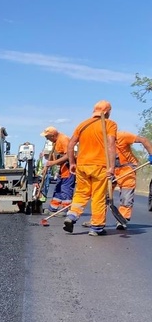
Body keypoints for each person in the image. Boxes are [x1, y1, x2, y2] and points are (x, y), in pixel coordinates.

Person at [63, 100, 117, 236]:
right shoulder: (109, 124)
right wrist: (111, 167)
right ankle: (96, 227)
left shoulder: (82, 125)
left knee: (81, 193)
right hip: (100, 166)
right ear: (107, 112)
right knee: (98, 196)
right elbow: (111, 146)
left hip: (82, 165)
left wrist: (72, 162)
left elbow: (71, 145)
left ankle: (72, 215)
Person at [111, 131, 152, 228]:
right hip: (110, 169)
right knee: (103, 195)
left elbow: (144, 140)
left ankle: (123, 219)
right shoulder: (99, 139)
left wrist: (151, 154)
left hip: (127, 169)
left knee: (126, 195)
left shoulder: (122, 136)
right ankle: (97, 221)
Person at [40, 126, 75, 213]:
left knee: (65, 189)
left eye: (47, 137)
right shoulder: (55, 142)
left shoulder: (63, 139)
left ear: (52, 135)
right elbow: (53, 156)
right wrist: (46, 166)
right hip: (62, 169)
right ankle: (53, 208)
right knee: (58, 188)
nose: (46, 139)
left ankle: (65, 210)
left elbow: (69, 155)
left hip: (68, 168)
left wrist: (53, 163)